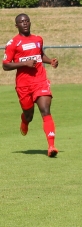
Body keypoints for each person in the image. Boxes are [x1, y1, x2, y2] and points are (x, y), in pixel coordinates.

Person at [2, 13, 59, 158]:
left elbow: (40, 55)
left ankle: (51, 146)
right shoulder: (13, 43)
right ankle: (24, 120)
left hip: (40, 80)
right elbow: (6, 65)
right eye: (22, 22)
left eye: (27, 21)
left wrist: (50, 61)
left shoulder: (38, 39)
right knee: (29, 115)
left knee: (45, 110)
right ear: (17, 25)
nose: (25, 23)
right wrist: (24, 63)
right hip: (23, 85)